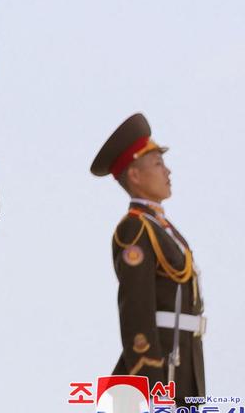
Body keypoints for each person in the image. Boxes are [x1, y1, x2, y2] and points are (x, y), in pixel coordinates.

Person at [91, 113, 204, 401]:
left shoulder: (163, 229)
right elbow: (136, 310)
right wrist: (149, 378)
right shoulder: (135, 228)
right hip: (160, 369)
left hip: (183, 361)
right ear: (135, 175)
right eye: (158, 163)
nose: (168, 172)